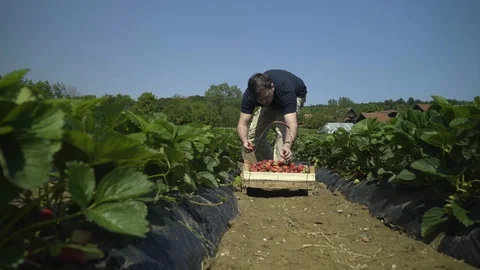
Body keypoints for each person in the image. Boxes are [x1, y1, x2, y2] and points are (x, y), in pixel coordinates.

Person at [236, 69, 307, 163]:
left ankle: (280, 168)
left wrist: (287, 145)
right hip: (274, 100)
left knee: (283, 135)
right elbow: (242, 124)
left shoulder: (286, 91)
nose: (264, 101)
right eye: (260, 100)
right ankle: (268, 165)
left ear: (272, 87)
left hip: (296, 94)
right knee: (253, 137)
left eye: (266, 97)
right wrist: (244, 140)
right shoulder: (250, 95)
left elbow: (291, 125)